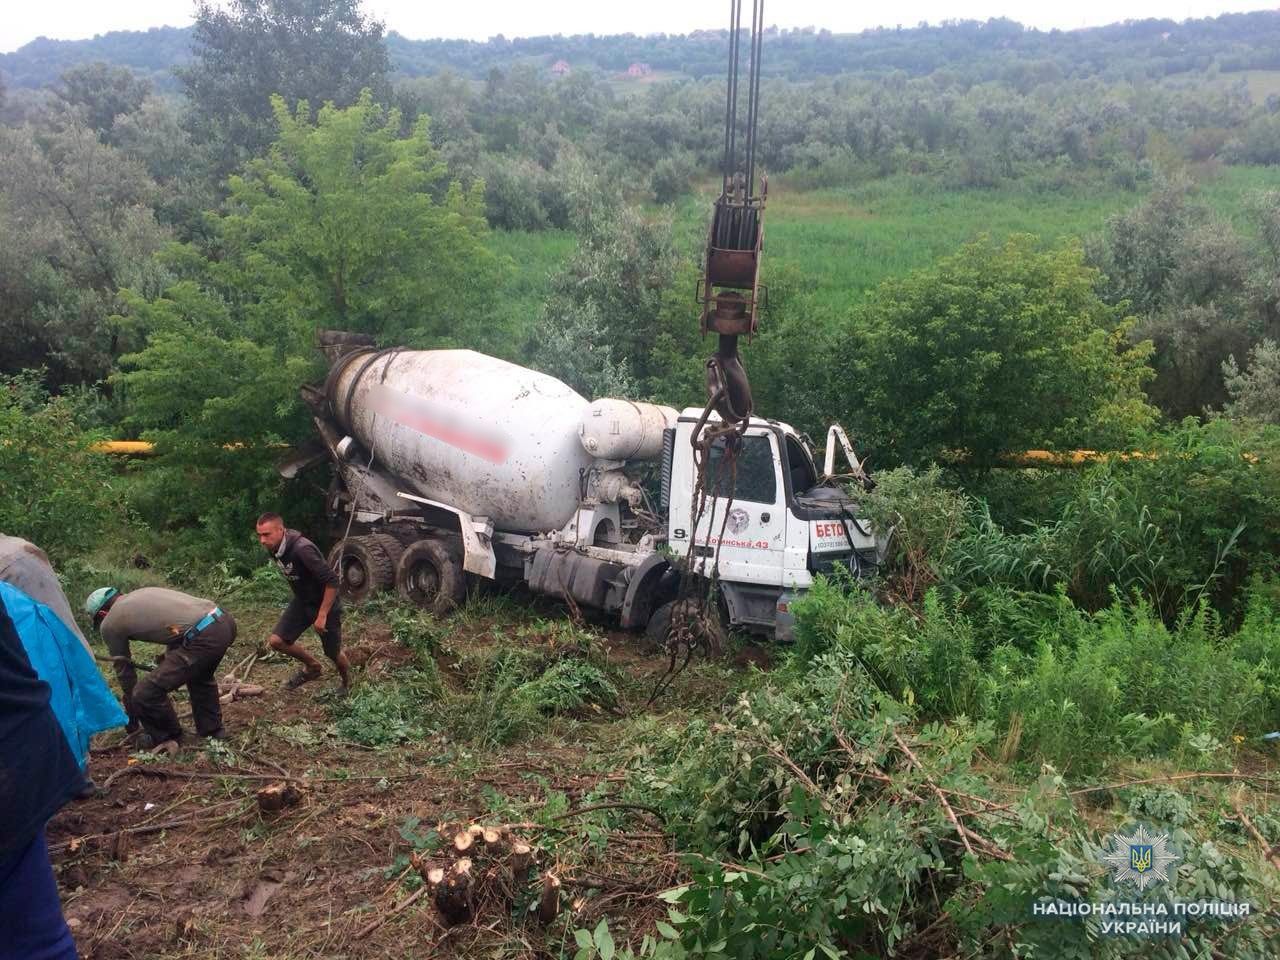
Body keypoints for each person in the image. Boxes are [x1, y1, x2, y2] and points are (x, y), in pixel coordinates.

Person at [0, 584, 124, 959]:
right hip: (23, 749)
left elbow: (126, 667)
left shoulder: (114, 625)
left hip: (17, 754)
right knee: (37, 939)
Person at [85, 586, 236, 754]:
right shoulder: (140, 594)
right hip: (224, 622)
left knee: (145, 692)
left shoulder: (109, 622)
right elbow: (175, 628)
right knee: (200, 676)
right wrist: (170, 659)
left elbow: (124, 672)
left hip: (205, 636)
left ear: (102, 614)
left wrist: (133, 712)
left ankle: (170, 737)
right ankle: (213, 731)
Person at [254, 513, 349, 691]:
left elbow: (332, 581)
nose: (262, 540)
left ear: (280, 530)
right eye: (259, 535)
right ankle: (313, 667)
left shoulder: (302, 549)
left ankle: (347, 684)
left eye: (266, 534)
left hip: (324, 604)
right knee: (277, 641)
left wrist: (322, 615)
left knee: (333, 652)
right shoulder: (276, 548)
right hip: (303, 601)